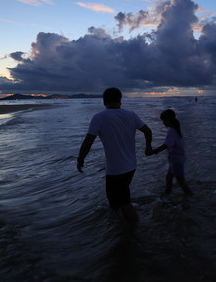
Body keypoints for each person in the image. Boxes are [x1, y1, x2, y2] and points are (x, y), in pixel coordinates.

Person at [77, 87, 153, 222]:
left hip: (117, 170)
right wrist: (148, 147)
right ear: (120, 100)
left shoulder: (99, 117)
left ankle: (134, 235)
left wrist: (80, 159)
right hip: (131, 166)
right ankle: (119, 230)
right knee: (114, 202)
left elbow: (88, 141)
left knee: (124, 203)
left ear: (104, 101)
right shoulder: (131, 115)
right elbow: (148, 131)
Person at [152, 109, 193, 196]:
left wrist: (155, 151)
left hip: (176, 160)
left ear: (168, 120)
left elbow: (166, 145)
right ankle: (167, 193)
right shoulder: (176, 129)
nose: (163, 122)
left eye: (164, 120)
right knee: (169, 178)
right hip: (178, 159)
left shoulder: (171, 131)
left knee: (182, 183)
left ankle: (192, 198)